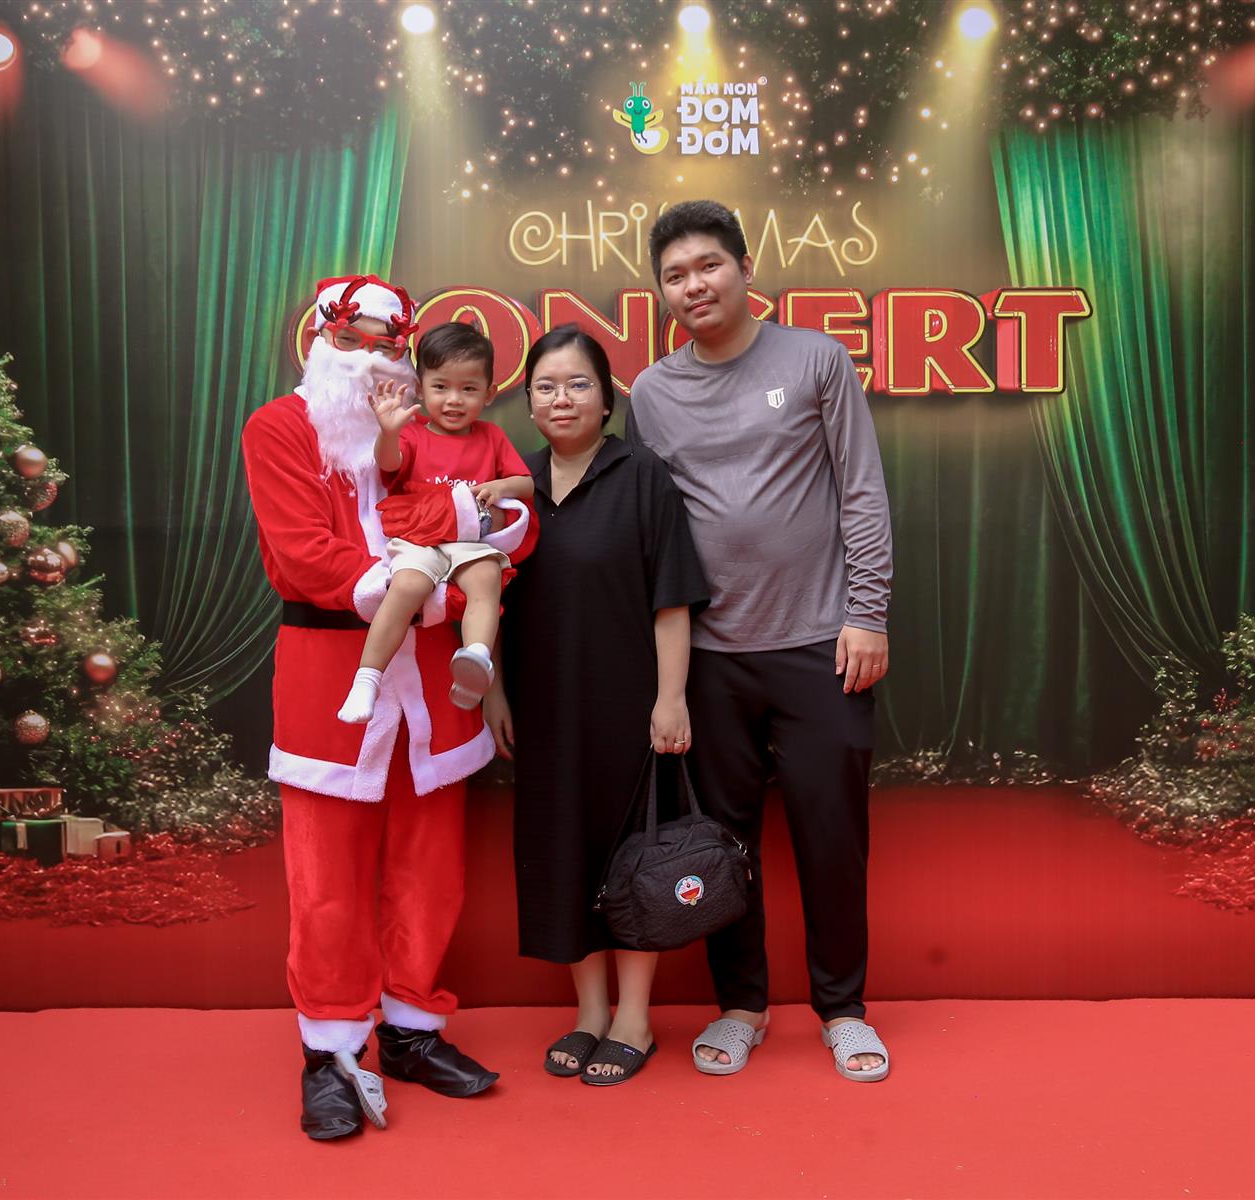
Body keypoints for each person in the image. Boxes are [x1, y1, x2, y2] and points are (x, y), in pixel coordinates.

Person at [241, 274, 534, 1141]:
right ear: (320, 340)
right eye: (353, 341)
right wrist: (430, 587)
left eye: (388, 346)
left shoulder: (430, 432)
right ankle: (331, 1052)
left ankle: (410, 1031)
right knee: (327, 880)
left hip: (435, 685)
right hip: (331, 680)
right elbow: (303, 556)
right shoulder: (279, 427)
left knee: (430, 871)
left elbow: (488, 527)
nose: (371, 359)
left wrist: (473, 555)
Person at [623, 201, 896, 1082]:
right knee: (722, 844)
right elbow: (648, 527)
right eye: (674, 275)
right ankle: (741, 1005)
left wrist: (868, 613)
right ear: (661, 293)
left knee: (831, 837)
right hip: (709, 657)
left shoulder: (816, 359)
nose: (693, 285)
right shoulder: (653, 393)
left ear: (744, 268)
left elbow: (861, 492)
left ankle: (843, 1010)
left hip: (823, 643)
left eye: (708, 265)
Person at [483, 324, 710, 1086]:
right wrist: (495, 692)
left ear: (607, 399)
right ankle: (589, 1013)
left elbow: (671, 601)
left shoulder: (643, 477)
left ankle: (634, 1019)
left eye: (578, 384)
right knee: (563, 853)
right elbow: (486, 600)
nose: (562, 399)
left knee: (630, 857)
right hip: (545, 710)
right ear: (527, 402)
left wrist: (671, 700)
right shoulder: (514, 490)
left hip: (630, 708)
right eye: (546, 386)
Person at [337, 322, 534, 724]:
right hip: (420, 539)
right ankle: (367, 678)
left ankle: (476, 657)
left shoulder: (491, 436)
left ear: (489, 393)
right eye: (441, 387)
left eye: (469, 389)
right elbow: (388, 465)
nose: (454, 400)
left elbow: (526, 483)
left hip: (469, 542)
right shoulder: (413, 434)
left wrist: (499, 486)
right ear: (420, 387)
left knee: (486, 578)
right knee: (406, 586)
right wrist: (388, 433)